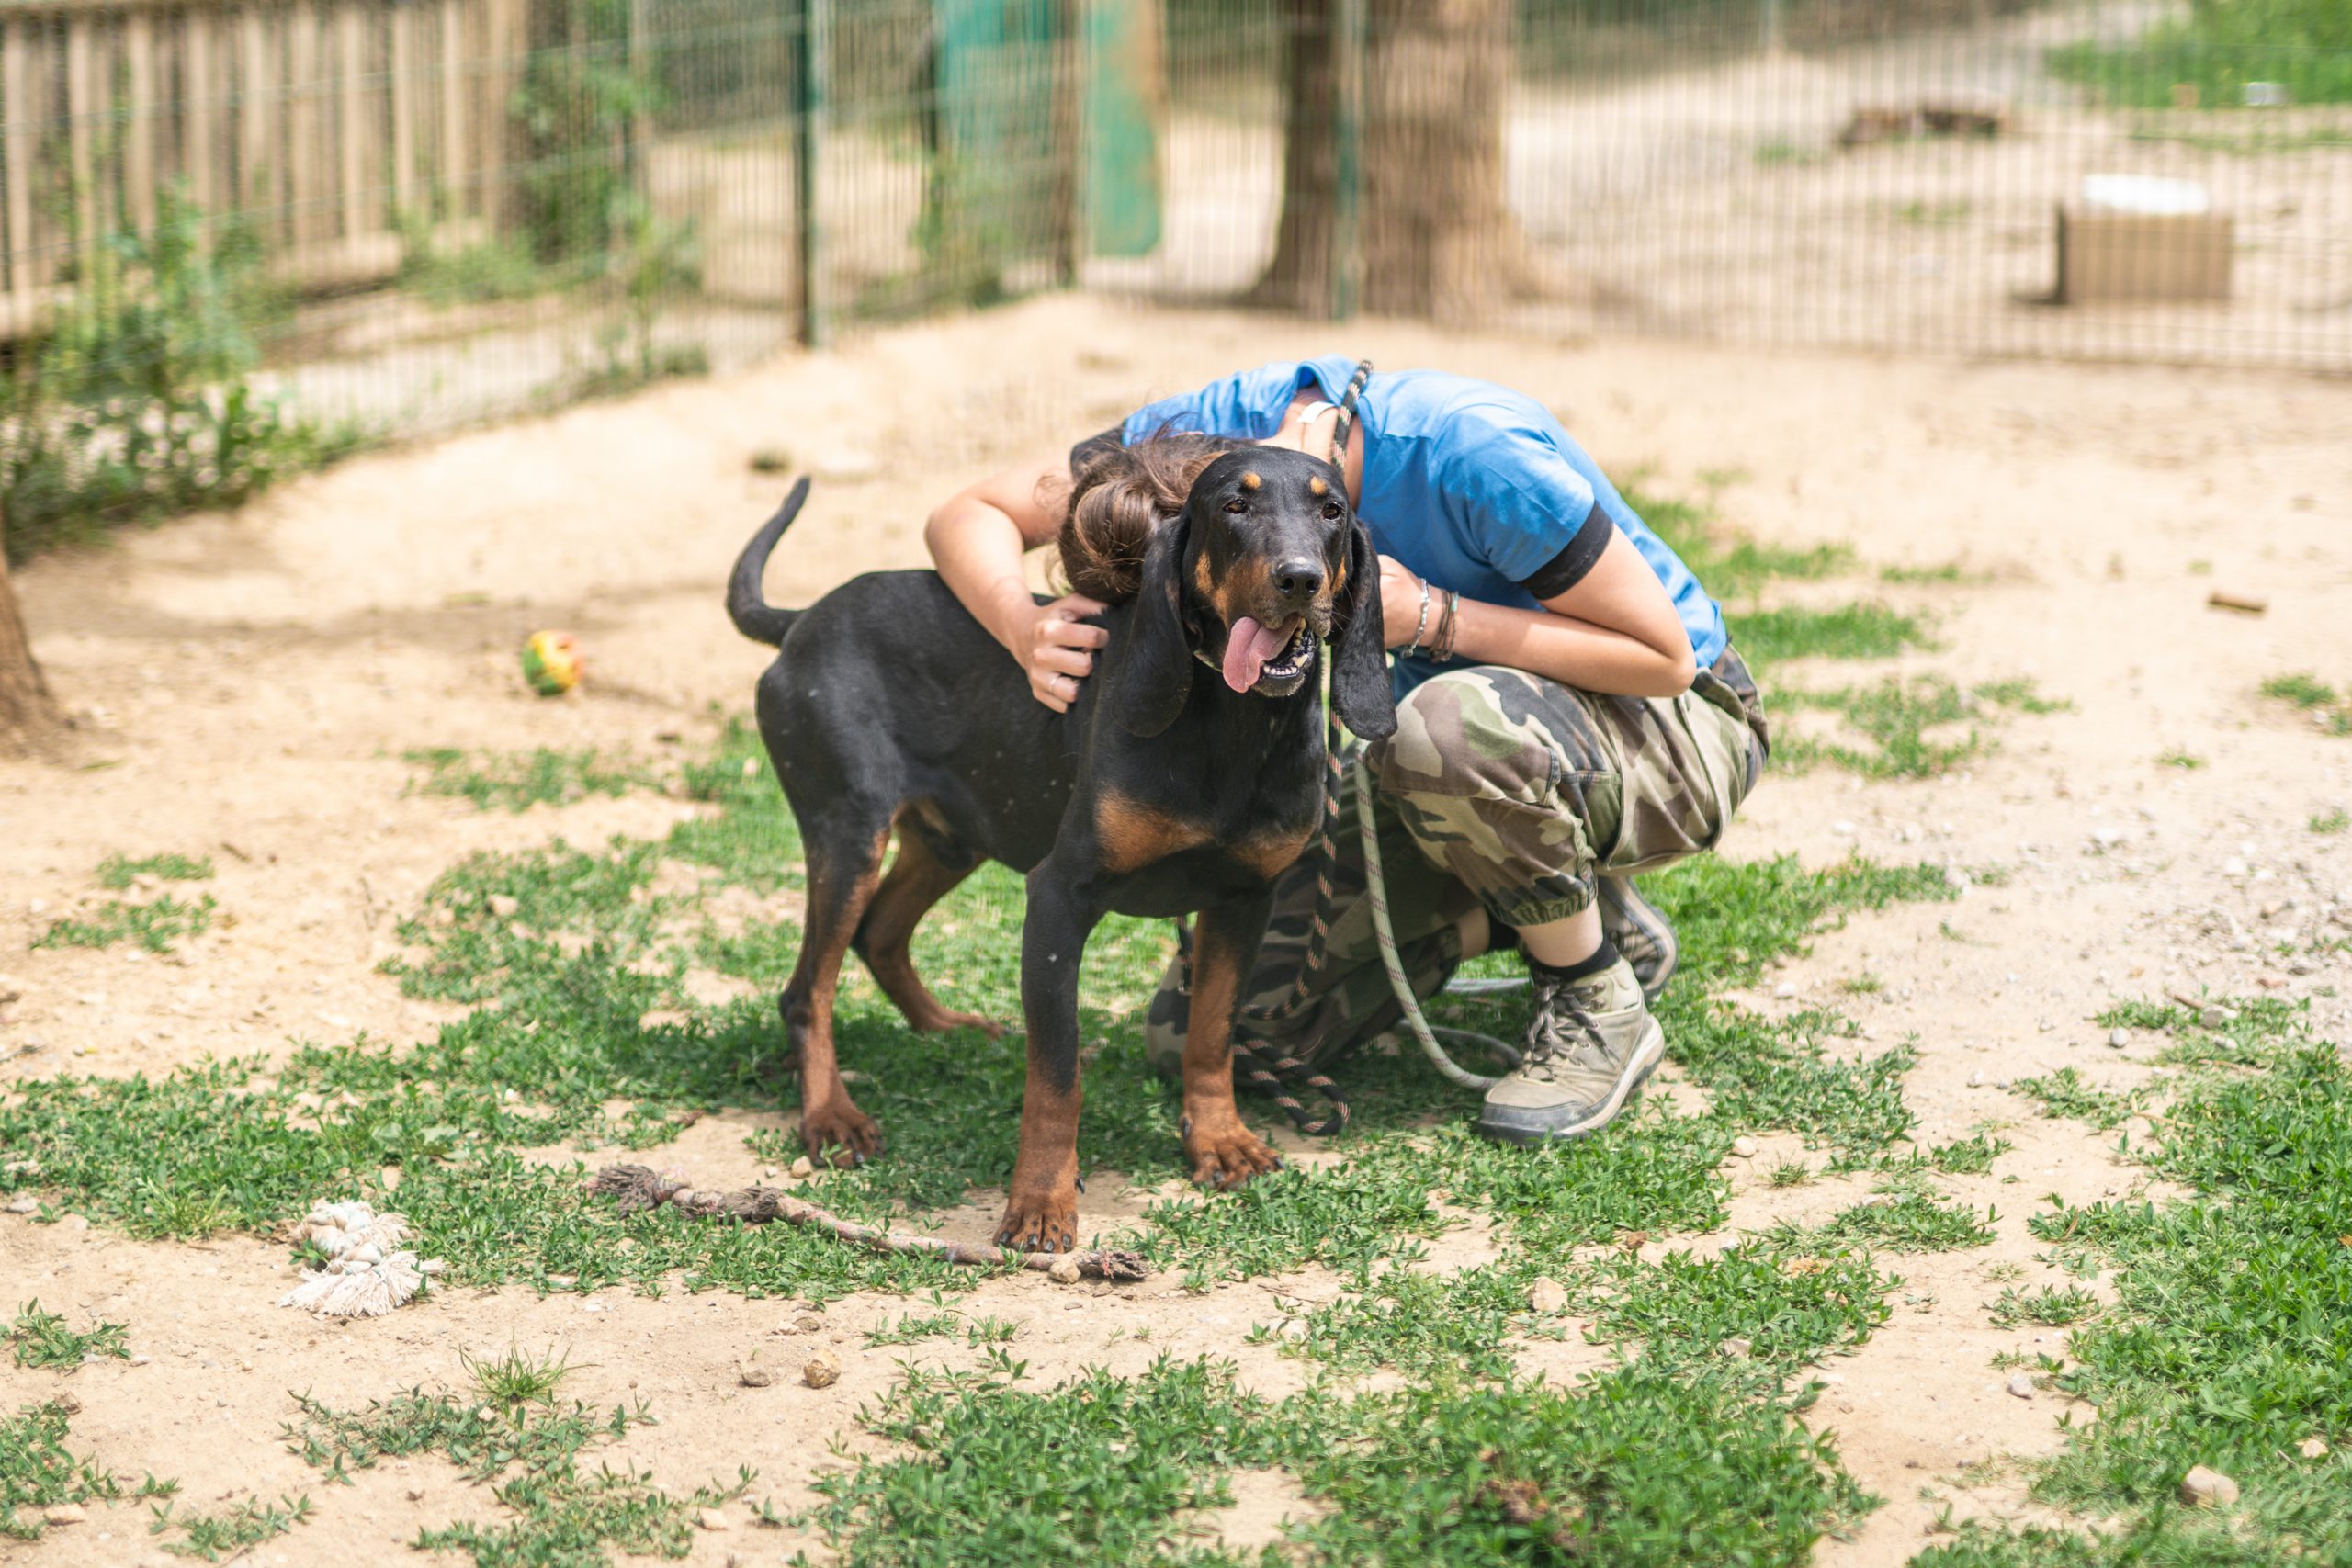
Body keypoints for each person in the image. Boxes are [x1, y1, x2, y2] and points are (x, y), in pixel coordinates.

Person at [924, 356, 1768, 1143]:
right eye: (1240, 514)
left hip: (1674, 724)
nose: (1283, 550)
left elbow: (1665, 659)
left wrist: (1439, 618)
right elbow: (971, 512)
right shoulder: (1191, 436)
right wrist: (1018, 618)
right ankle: (1551, 902)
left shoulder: (1470, 452)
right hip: (1435, 769)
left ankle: (1590, 990)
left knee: (1445, 724)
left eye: (1317, 515)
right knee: (1218, 1029)